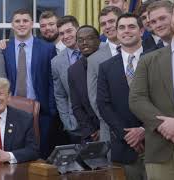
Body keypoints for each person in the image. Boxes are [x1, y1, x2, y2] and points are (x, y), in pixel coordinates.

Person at [129, 3, 174, 180]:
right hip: (160, 150)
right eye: (153, 21)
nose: (158, 24)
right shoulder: (148, 60)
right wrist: (166, 126)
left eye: (162, 18)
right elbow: (136, 99)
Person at [97, 13, 148, 180]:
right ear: (117, 33)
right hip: (124, 146)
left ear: (142, 30)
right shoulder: (106, 67)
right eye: (122, 28)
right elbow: (104, 105)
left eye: (131, 26)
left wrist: (143, 131)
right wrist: (128, 135)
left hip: (158, 144)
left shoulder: (158, 58)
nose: (126, 31)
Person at [3, 9, 57, 158]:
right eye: (17, 21)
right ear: (12, 25)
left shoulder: (47, 48)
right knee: (15, 154)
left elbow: (53, 81)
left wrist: (51, 110)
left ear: (32, 24)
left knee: (42, 154)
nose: (21, 24)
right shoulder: (4, 48)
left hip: (41, 111)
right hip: (11, 110)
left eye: (25, 21)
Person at [87, 6, 122, 145]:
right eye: (103, 24)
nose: (107, 26)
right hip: (110, 128)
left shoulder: (143, 49)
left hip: (143, 128)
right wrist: (113, 122)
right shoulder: (94, 59)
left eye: (111, 21)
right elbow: (94, 98)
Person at [67, 25, 100, 143]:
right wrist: (91, 130)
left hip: (114, 130)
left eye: (89, 38)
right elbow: (76, 106)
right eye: (80, 40)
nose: (84, 43)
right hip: (90, 134)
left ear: (98, 40)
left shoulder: (109, 62)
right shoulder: (73, 70)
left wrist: (105, 129)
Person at [51, 15, 81, 143]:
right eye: (62, 33)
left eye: (69, 31)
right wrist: (67, 122)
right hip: (74, 124)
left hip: (100, 123)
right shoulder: (56, 62)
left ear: (78, 30)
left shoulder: (96, 51)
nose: (66, 36)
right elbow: (60, 95)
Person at [0, 11, 65, 54]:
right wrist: (5, 42)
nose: (47, 28)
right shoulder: (40, 47)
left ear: (59, 25)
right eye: (43, 26)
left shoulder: (69, 47)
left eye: (51, 24)